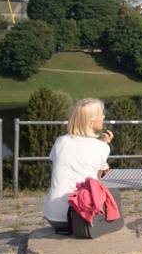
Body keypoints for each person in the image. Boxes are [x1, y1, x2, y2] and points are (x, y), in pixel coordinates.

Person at [43, 98, 114, 231]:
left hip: (53, 215)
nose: (104, 116)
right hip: (80, 217)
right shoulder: (102, 147)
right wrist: (104, 144)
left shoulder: (60, 141)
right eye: (101, 114)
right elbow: (96, 182)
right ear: (91, 121)